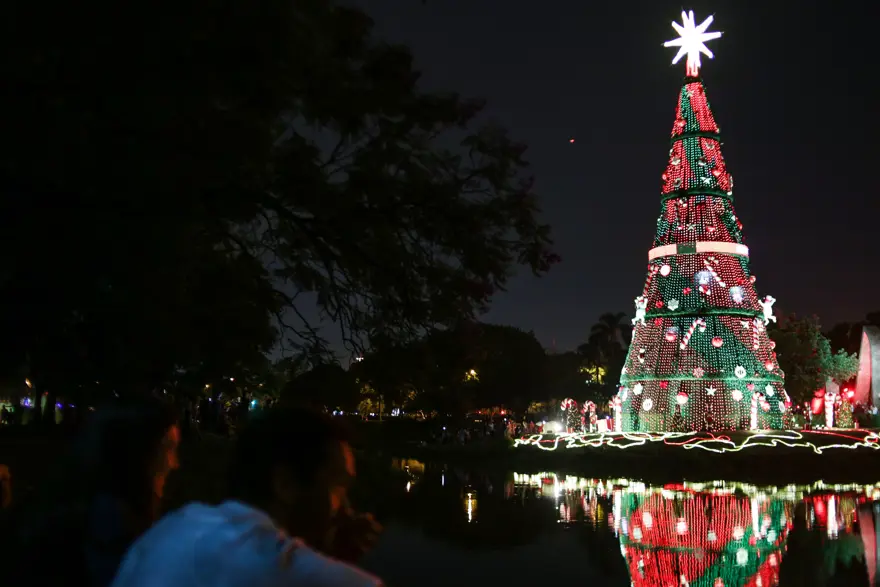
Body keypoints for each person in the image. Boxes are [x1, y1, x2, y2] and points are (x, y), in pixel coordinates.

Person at [110, 406, 382, 587]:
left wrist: (333, 554)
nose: (347, 508)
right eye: (339, 487)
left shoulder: (173, 527)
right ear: (285, 484)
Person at [1, 396, 180, 587]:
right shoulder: (109, 526)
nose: (174, 463)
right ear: (136, 454)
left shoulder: (63, 509)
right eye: (168, 449)